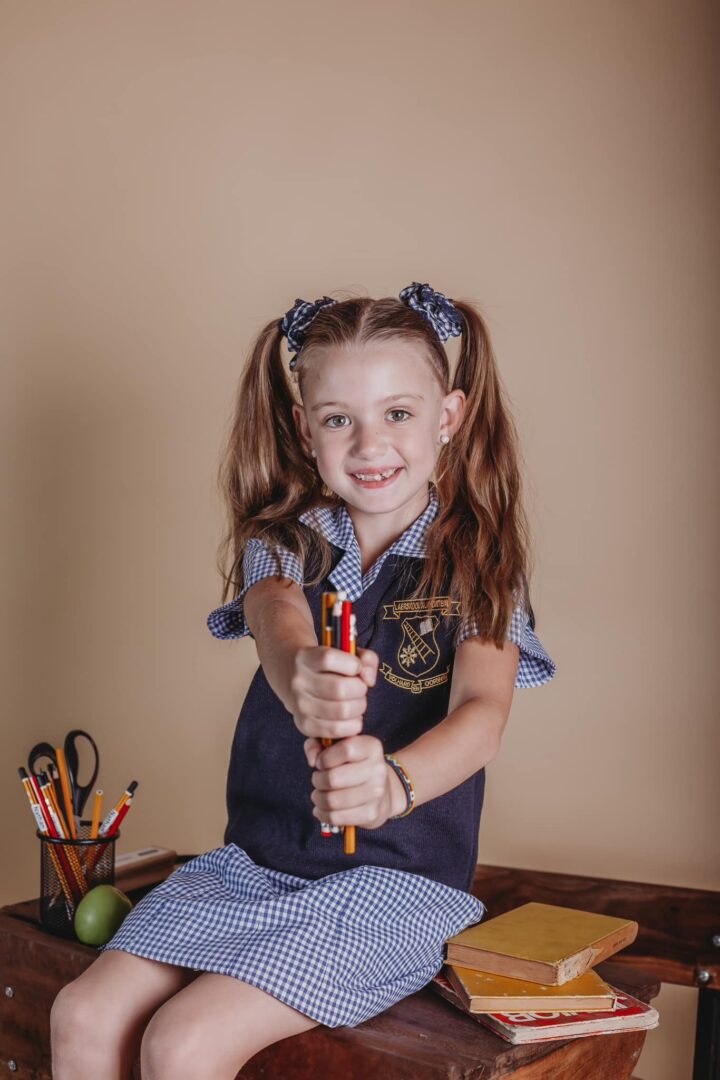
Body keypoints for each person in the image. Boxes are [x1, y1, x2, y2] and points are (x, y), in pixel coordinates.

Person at [51, 282, 556, 1079]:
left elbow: (482, 713)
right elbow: (276, 619)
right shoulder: (283, 543)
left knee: (182, 1042)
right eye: (338, 419)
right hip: (253, 869)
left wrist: (392, 784)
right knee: (80, 1014)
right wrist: (302, 677)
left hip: (393, 891)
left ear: (449, 416)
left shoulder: (481, 565)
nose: (369, 444)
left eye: (398, 413)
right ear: (303, 428)